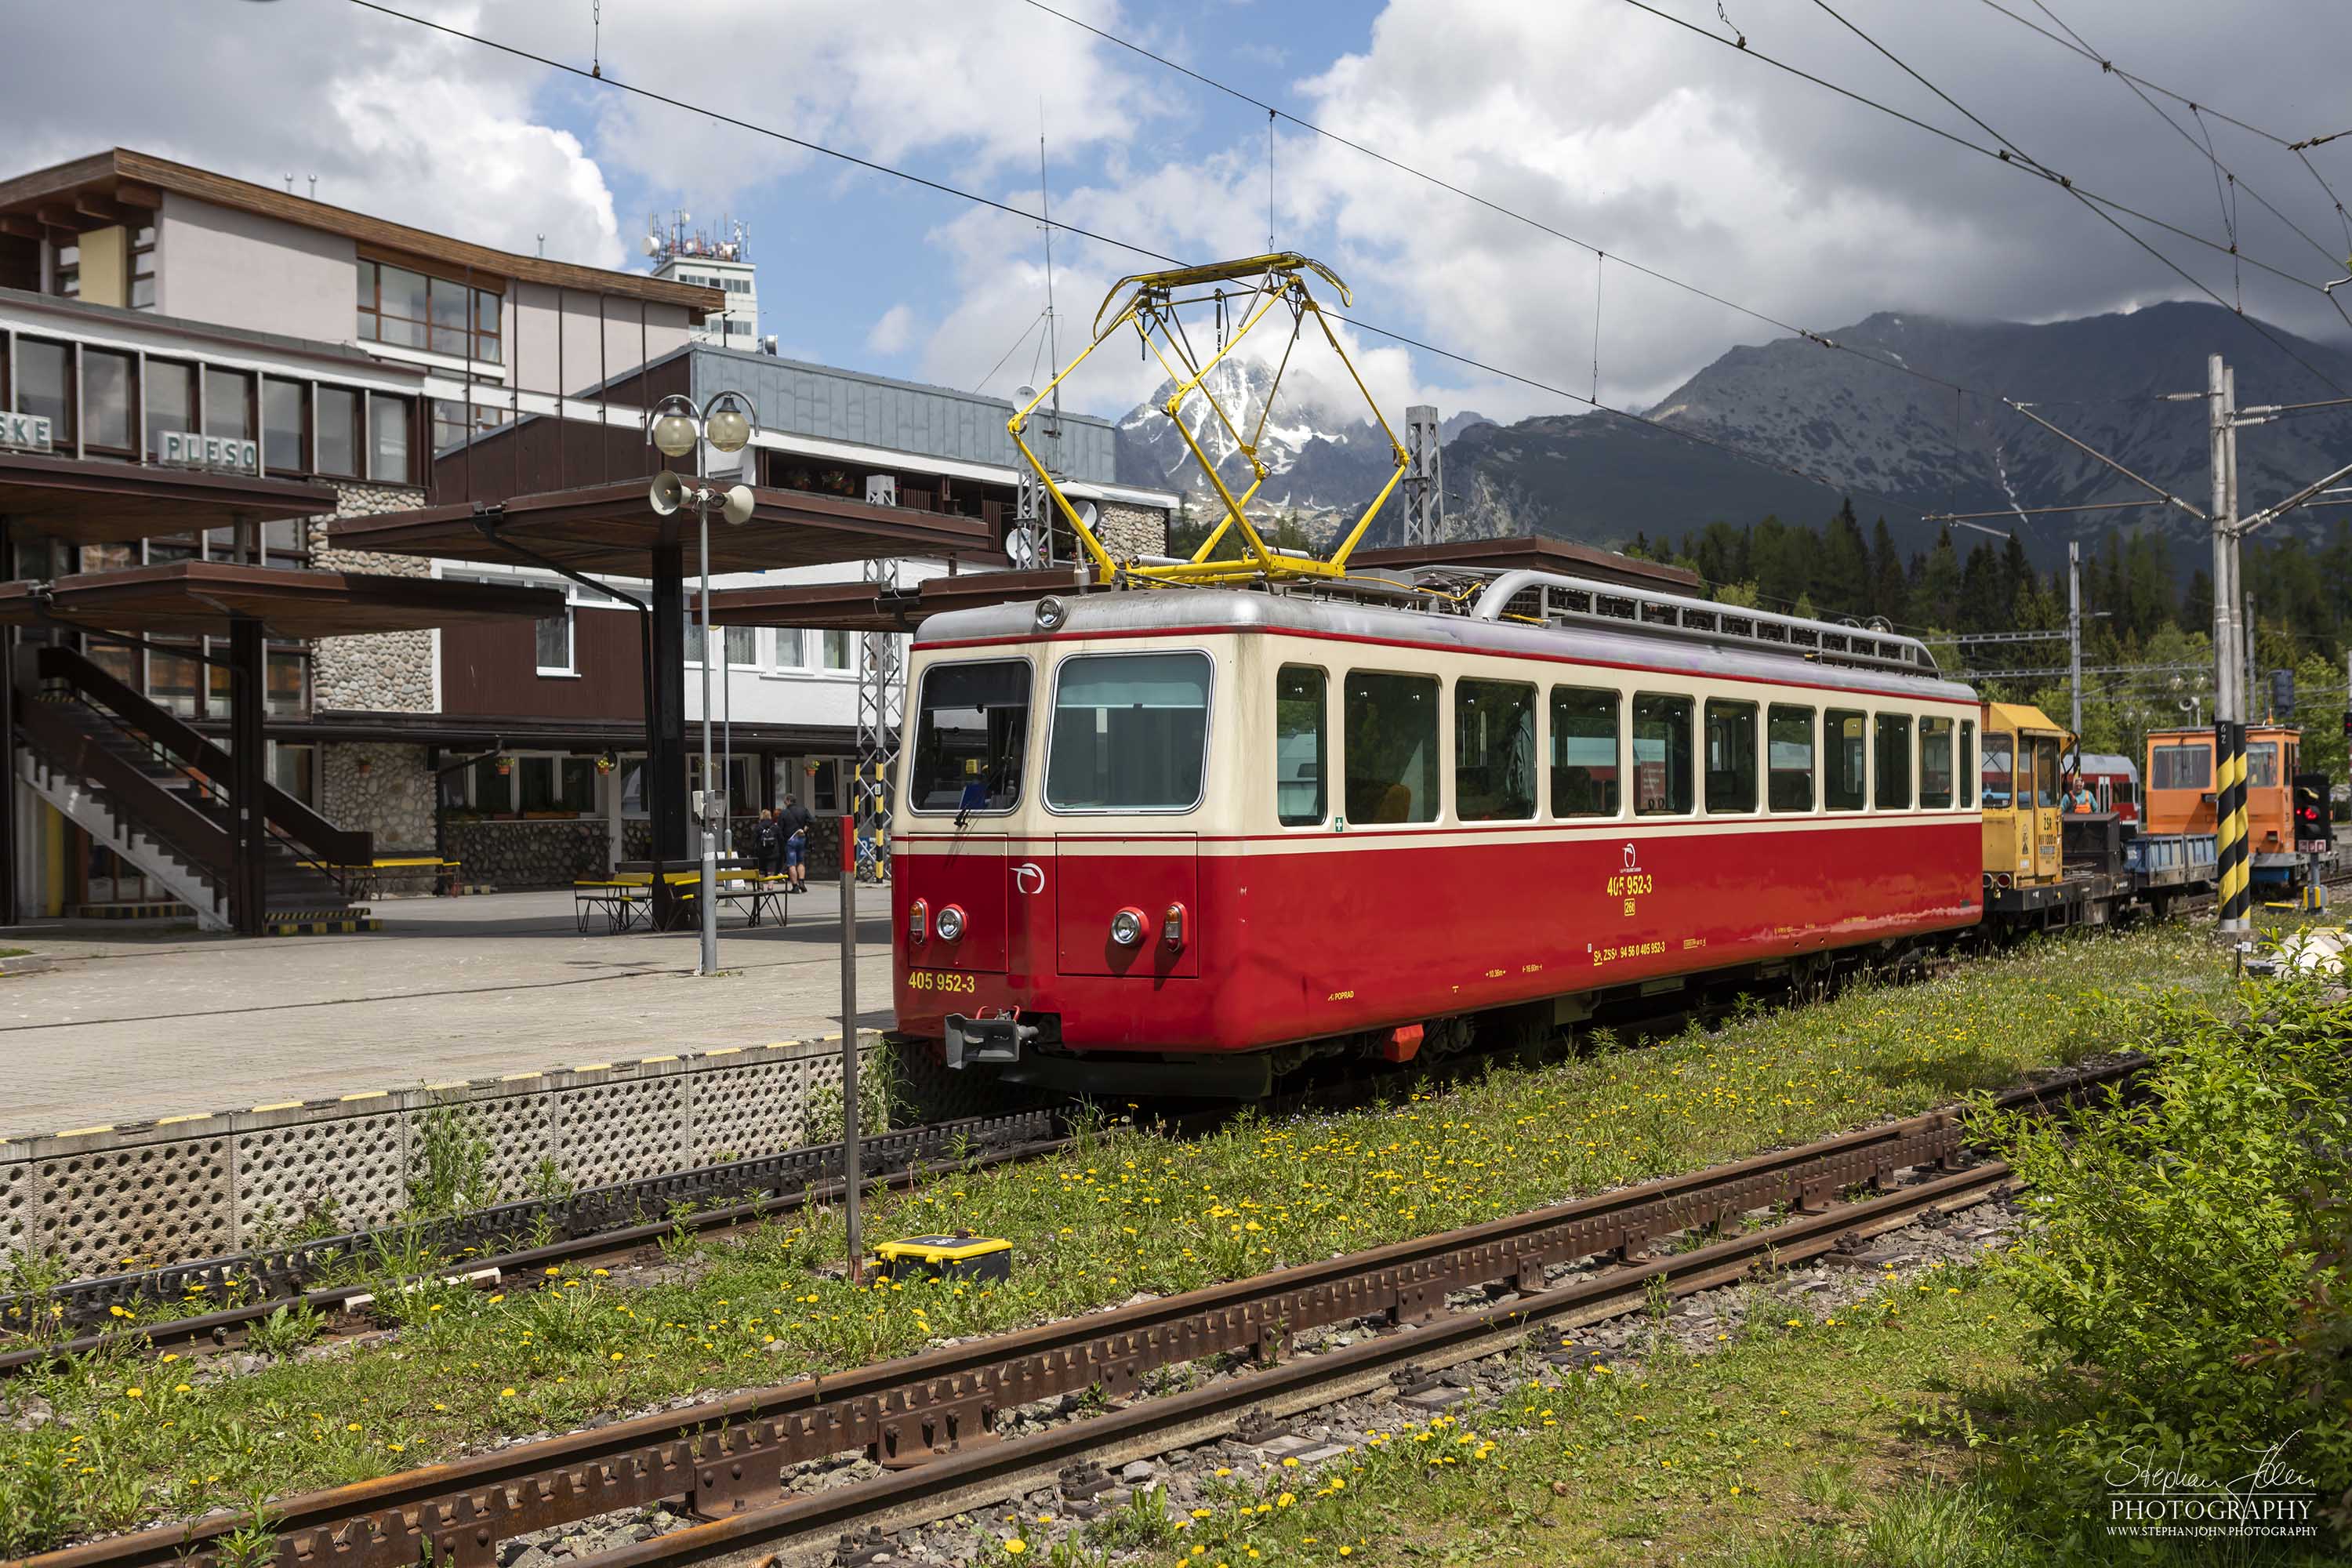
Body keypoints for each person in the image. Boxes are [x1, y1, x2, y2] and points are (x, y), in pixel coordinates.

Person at [779, 797, 813, 893]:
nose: (784, 803)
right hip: (802, 838)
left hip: (790, 840)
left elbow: (780, 828)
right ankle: (802, 882)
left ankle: (795, 886)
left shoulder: (784, 813)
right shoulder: (803, 810)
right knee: (801, 862)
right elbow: (812, 821)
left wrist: (782, 841)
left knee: (791, 864)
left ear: (789, 801)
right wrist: (805, 828)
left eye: (785, 801)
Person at [752, 808, 782, 880]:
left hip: (761, 852)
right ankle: (770, 888)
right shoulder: (775, 826)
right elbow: (781, 838)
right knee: (771, 871)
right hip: (773, 852)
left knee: (761, 871)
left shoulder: (758, 827)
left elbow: (753, 840)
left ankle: (761, 888)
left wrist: (753, 851)